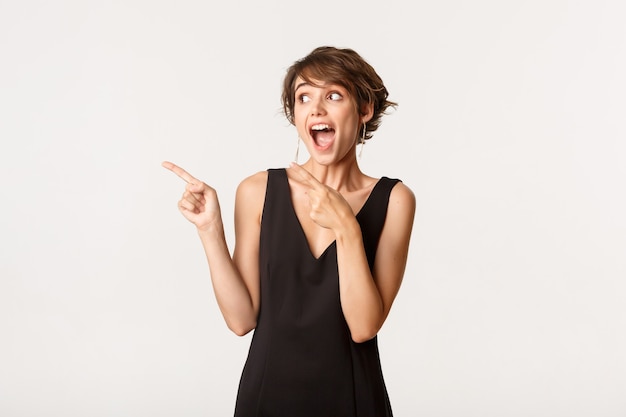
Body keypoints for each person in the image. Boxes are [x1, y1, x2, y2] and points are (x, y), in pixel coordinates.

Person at [162, 46, 416, 417]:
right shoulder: (256, 191)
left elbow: (364, 327)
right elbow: (241, 320)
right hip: (266, 398)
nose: (316, 109)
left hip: (355, 399)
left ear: (364, 110)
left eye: (333, 95)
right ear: (295, 115)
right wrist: (210, 231)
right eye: (303, 98)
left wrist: (347, 227)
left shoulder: (395, 199)